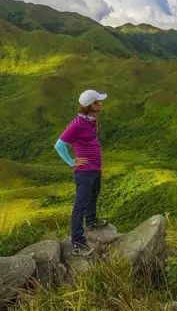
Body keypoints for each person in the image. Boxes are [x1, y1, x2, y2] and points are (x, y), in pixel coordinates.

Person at [54, 89, 109, 257]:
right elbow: (59, 145)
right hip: (84, 172)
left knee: (94, 194)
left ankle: (91, 221)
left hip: (95, 168)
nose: (101, 103)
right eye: (98, 101)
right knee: (80, 205)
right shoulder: (77, 124)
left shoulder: (91, 120)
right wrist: (71, 161)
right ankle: (77, 241)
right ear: (91, 105)